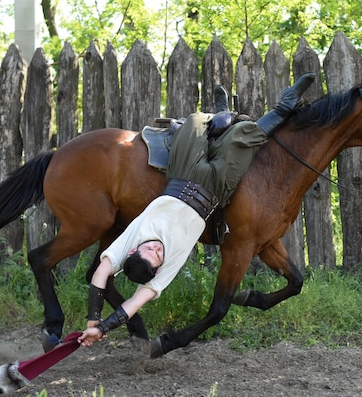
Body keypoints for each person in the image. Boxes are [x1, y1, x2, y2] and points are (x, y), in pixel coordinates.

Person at [78, 72, 316, 347]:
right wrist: (108, 327)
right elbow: (134, 302)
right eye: (157, 257)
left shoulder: (129, 242)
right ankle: (285, 104)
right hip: (214, 187)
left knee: (193, 122)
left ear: (134, 250)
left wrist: (93, 321)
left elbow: (100, 273)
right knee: (245, 135)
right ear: (159, 269)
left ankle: (221, 114)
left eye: (150, 250)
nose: (157, 251)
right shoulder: (167, 267)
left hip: (181, 175)